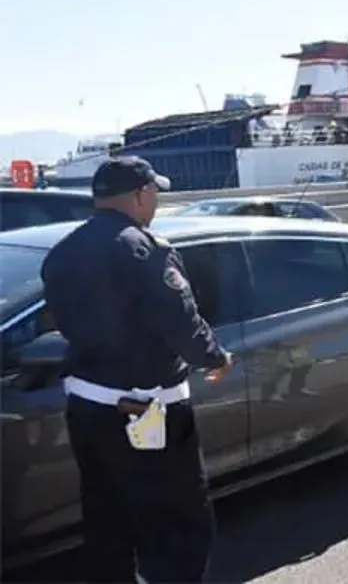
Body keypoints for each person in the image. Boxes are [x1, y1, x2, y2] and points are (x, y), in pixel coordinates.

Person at [40, 156, 233, 583]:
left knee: (107, 520)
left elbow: (58, 320)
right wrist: (216, 357)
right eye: (155, 193)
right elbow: (182, 323)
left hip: (86, 407)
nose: (156, 203)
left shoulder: (61, 253)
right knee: (180, 526)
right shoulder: (147, 251)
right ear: (141, 195)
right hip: (146, 410)